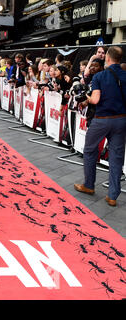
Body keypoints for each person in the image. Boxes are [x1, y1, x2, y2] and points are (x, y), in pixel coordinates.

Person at [74, 46, 126, 207]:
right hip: (121, 120)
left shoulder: (100, 76)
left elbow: (95, 100)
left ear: (108, 58)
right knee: (116, 157)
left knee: (90, 150)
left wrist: (87, 97)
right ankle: (112, 195)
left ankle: (89, 185)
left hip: (102, 119)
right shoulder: (125, 75)